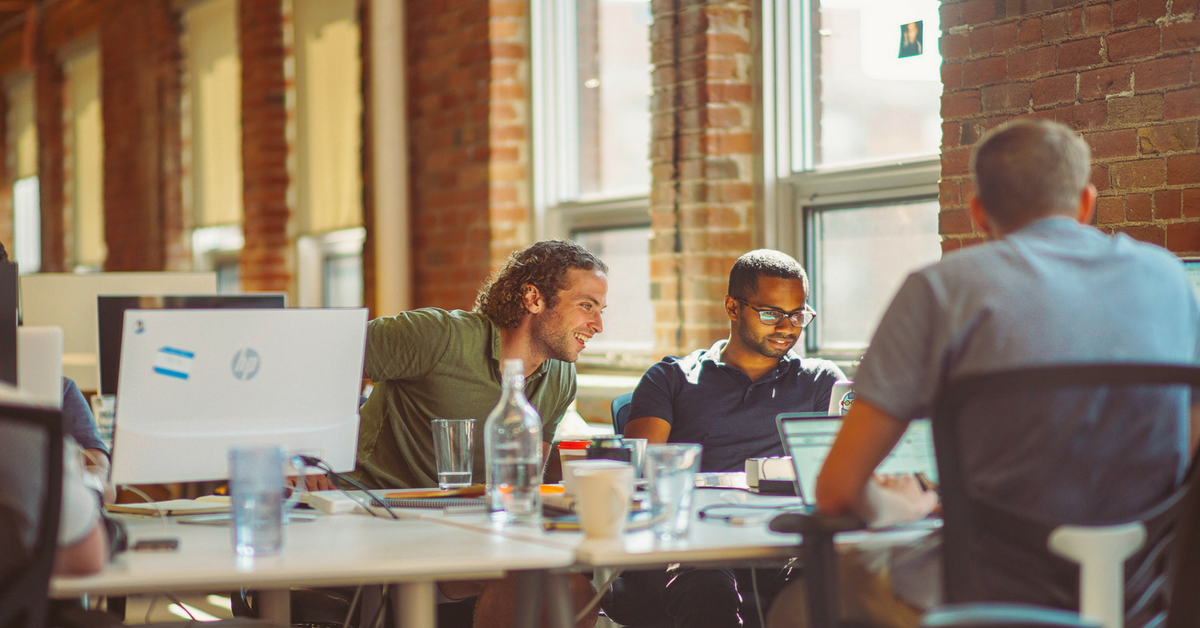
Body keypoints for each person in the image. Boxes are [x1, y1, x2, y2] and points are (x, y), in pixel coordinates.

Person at [775, 119, 1200, 627]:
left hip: (986, 600)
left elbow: (837, 490)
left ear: (978, 213)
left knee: (798, 603)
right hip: (1143, 596)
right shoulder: (1170, 280)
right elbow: (1188, 446)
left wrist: (908, 506)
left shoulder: (941, 289)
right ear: (1086, 202)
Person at [354, 239, 608, 628]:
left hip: (472, 530)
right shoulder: (439, 337)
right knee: (520, 575)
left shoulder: (560, 376)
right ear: (533, 299)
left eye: (601, 310)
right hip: (382, 521)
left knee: (574, 590)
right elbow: (316, 358)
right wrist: (301, 454)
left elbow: (522, 481)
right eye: (586, 306)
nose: (598, 325)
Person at [605, 250, 845, 628]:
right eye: (771, 313)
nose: (788, 327)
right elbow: (640, 479)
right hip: (691, 544)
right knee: (708, 588)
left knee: (829, 584)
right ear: (733, 307)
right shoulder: (671, 378)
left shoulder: (822, 381)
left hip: (778, 541)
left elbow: (839, 474)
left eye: (798, 315)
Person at [0, 386, 107, 583]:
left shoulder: (62, 390)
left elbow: (100, 468)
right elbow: (88, 557)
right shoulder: (23, 416)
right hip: (24, 593)